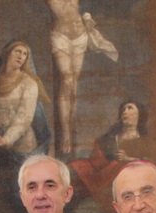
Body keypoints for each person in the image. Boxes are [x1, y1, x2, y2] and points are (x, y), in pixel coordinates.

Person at [0, 40, 52, 213]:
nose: (21, 56)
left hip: (23, 148)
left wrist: (6, 139)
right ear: (7, 53)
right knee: (3, 197)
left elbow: (24, 117)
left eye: (25, 54)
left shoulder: (29, 83)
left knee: (22, 196)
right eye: (17, 51)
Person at [68, 100, 156, 213]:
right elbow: (96, 163)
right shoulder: (108, 140)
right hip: (104, 189)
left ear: (139, 114)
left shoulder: (146, 142)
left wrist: (129, 160)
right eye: (123, 109)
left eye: (130, 108)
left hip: (132, 193)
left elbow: (154, 169)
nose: (125, 112)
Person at [46, 0, 118, 155]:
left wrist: (87, 18)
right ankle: (65, 133)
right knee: (67, 80)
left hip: (80, 37)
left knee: (74, 87)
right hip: (60, 37)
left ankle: (71, 131)